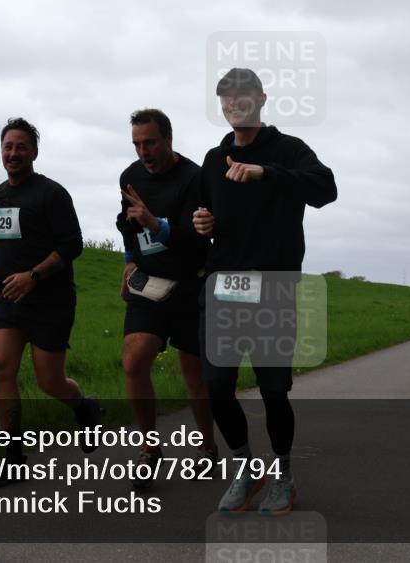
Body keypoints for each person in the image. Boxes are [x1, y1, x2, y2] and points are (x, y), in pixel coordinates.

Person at [193, 68, 337, 515]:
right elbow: (203, 213)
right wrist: (201, 223)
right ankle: (244, 468)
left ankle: (285, 477)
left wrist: (265, 173)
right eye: (226, 98)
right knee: (216, 385)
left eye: (242, 96)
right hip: (225, 286)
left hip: (273, 285)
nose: (234, 104)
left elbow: (325, 189)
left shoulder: (288, 150)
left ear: (261, 99)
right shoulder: (214, 159)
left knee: (274, 389)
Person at [0, 117, 101, 487]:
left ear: (34, 152)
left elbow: (72, 245)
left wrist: (34, 276)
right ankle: (12, 458)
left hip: (50, 299)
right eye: (7, 147)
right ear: (1, 151)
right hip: (9, 299)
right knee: (1, 369)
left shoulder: (51, 194)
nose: (13, 153)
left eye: (21, 147)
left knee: (50, 382)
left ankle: (84, 407)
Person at [117, 108, 216, 490]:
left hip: (190, 283)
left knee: (194, 373)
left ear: (168, 139)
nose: (144, 151)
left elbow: (197, 241)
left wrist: (156, 225)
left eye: (150, 142)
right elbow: (126, 222)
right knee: (134, 357)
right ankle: (149, 448)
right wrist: (128, 262)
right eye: (137, 144)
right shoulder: (130, 176)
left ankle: (208, 448)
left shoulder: (194, 178)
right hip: (149, 284)